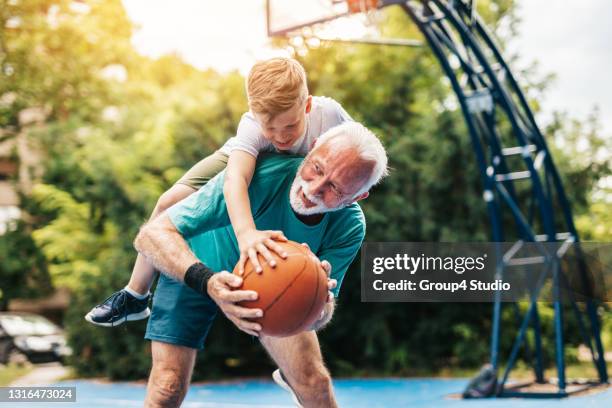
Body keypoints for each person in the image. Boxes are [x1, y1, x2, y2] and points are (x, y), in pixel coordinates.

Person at [134, 122, 388, 407]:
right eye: (317, 168)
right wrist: (206, 280)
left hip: (271, 287)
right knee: (167, 387)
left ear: (357, 197)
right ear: (313, 147)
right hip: (194, 263)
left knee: (315, 383)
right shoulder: (257, 176)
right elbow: (151, 235)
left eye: (334, 188)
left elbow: (324, 312)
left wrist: (319, 304)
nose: (313, 189)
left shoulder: (349, 226)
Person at [85, 57, 354, 326]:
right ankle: (136, 294)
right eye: (269, 128)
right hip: (247, 159)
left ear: (307, 106)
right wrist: (246, 233)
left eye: (290, 127)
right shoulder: (251, 127)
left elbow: (361, 156)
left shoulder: (331, 116)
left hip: (300, 180)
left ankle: (297, 347)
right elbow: (236, 177)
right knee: (168, 202)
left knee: (294, 281)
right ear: (253, 112)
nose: (281, 136)